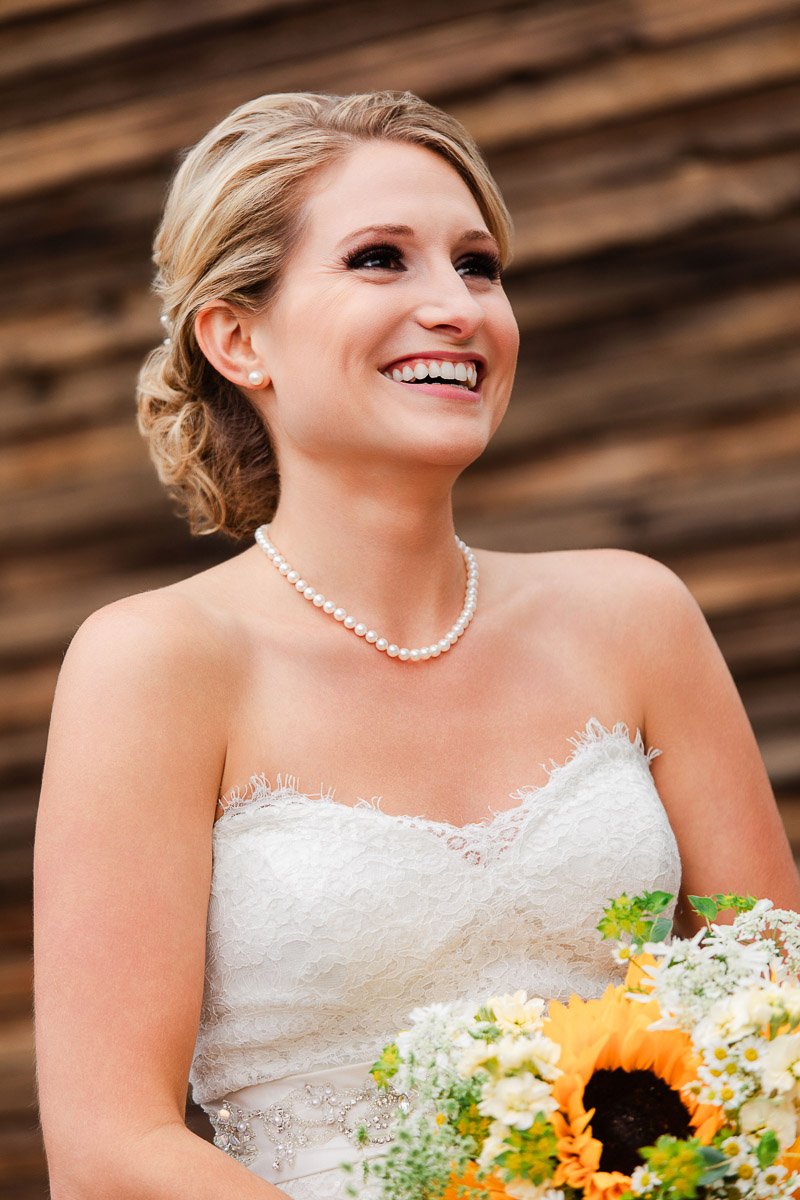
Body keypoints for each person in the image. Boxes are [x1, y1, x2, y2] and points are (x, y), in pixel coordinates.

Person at [33, 90, 800, 1200]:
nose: (456, 307)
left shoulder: (636, 617)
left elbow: (774, 1012)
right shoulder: (155, 663)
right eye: (380, 260)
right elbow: (110, 1150)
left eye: (478, 265)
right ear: (237, 336)